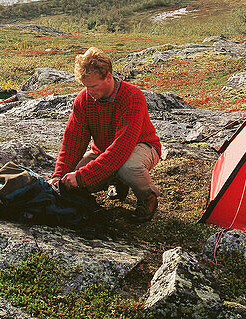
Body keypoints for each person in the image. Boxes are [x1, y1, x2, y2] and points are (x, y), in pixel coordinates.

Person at [51, 47, 162, 223]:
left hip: (142, 147)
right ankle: (119, 183)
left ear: (108, 77)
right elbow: (72, 142)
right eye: (85, 86)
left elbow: (121, 149)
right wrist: (59, 176)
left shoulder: (132, 97)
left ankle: (148, 198)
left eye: (93, 86)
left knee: (128, 167)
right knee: (72, 182)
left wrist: (81, 177)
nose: (89, 92)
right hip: (104, 151)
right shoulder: (83, 100)